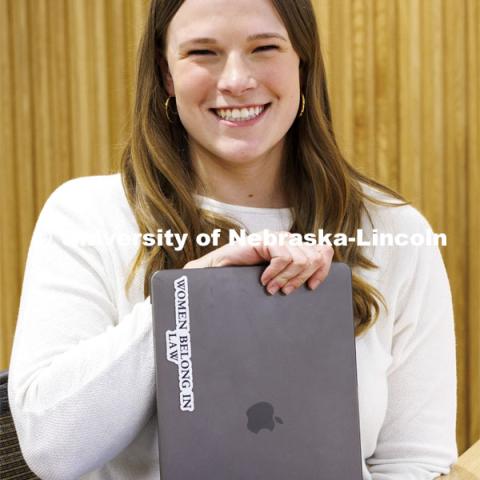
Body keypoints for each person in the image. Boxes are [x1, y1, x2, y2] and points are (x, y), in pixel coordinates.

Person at [8, 0, 457, 479]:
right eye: (203, 52)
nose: (236, 80)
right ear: (166, 73)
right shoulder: (87, 216)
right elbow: (51, 449)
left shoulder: (394, 231)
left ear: (302, 62)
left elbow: (416, 462)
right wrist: (189, 298)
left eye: (264, 48)